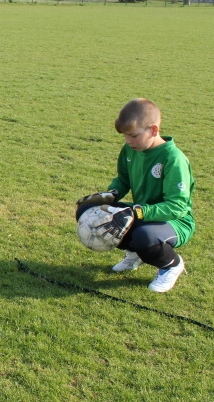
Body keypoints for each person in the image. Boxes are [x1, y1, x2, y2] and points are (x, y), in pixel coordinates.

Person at [75, 98, 195, 293]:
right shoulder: (131, 150)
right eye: (125, 136)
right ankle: (136, 254)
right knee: (87, 210)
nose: (128, 141)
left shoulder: (173, 159)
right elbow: (123, 179)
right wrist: (111, 194)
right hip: (141, 212)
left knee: (143, 236)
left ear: (154, 130)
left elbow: (177, 206)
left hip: (176, 221)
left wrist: (137, 212)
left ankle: (171, 264)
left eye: (134, 135)